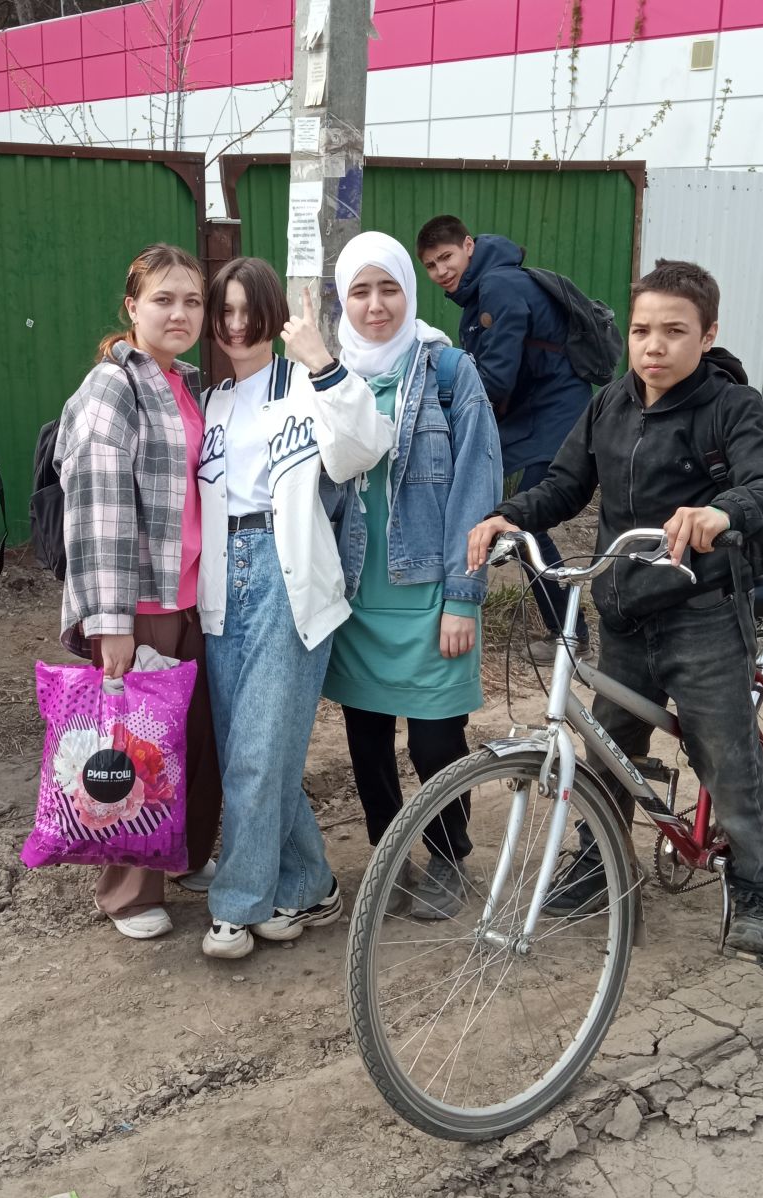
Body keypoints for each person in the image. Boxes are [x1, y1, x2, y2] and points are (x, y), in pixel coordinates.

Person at [468, 259, 763, 966]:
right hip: (623, 610)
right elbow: (565, 484)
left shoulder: (730, 407)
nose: (654, 345)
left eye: (674, 331)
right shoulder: (610, 405)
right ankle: (601, 863)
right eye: (643, 330)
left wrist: (722, 511)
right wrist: (510, 516)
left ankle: (758, 893)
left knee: (725, 756)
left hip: (702, 612)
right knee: (610, 750)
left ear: (707, 335)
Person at [196, 256, 394, 958]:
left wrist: (323, 362)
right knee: (254, 751)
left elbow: (365, 447)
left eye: (249, 311)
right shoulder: (213, 402)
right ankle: (309, 881)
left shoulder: (306, 384)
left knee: (257, 751)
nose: (236, 325)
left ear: (272, 314)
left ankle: (237, 905)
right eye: (225, 311)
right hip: (222, 577)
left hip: (287, 575)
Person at [322, 232, 502, 920]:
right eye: (360, 291)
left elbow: (476, 485)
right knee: (366, 746)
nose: (375, 306)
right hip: (355, 597)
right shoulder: (329, 374)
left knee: (434, 743)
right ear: (343, 300)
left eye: (388, 288)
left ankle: (449, 856)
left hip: (430, 595)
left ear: (410, 293)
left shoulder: (450, 371)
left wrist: (463, 597)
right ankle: (388, 855)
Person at [55, 243, 222, 941]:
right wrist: (111, 619)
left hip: (193, 601)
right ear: (132, 307)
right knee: (133, 748)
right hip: (141, 605)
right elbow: (99, 508)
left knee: (196, 742)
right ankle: (127, 892)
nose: (179, 313)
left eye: (192, 301)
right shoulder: (113, 387)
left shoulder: (185, 384)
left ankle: (184, 854)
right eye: (163, 300)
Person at [416, 214, 591, 661]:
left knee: (522, 523)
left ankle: (571, 635)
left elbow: (494, 378)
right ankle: (566, 627)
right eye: (431, 265)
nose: (441, 271)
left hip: (554, 416)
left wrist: (439, 403)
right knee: (508, 514)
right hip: (533, 416)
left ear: (468, 246)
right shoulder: (483, 291)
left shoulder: (498, 286)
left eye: (447, 257)